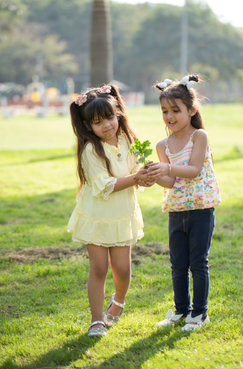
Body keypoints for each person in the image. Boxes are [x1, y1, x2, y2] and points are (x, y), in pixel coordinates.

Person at [67, 84, 151, 337]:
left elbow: (140, 167)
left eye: (110, 117)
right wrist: (137, 178)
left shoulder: (128, 139)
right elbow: (105, 185)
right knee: (100, 268)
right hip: (97, 216)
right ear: (87, 126)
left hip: (121, 215)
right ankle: (96, 321)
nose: (106, 125)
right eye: (97, 121)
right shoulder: (91, 150)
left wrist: (147, 175)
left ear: (118, 115)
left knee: (123, 268)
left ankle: (118, 301)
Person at [147, 75, 221, 331]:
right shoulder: (162, 145)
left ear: (191, 110)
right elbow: (171, 182)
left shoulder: (199, 136)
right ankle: (181, 311)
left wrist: (166, 166)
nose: (169, 116)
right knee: (178, 264)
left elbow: (194, 169)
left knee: (198, 262)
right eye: (164, 111)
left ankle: (200, 314)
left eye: (175, 110)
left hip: (201, 209)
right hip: (177, 209)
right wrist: (154, 177)